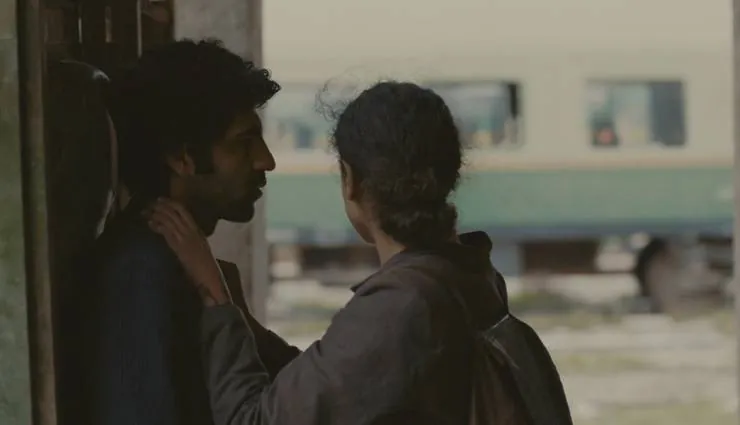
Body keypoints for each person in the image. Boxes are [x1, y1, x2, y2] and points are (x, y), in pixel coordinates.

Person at [146, 81, 508, 424]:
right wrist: (246, 328)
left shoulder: (402, 305)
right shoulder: (469, 273)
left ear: (351, 181)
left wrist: (216, 298)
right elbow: (335, 386)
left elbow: (254, 419)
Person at [84, 39, 298, 425]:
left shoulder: (177, 262)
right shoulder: (141, 271)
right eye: (243, 143)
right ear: (181, 157)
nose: (266, 160)